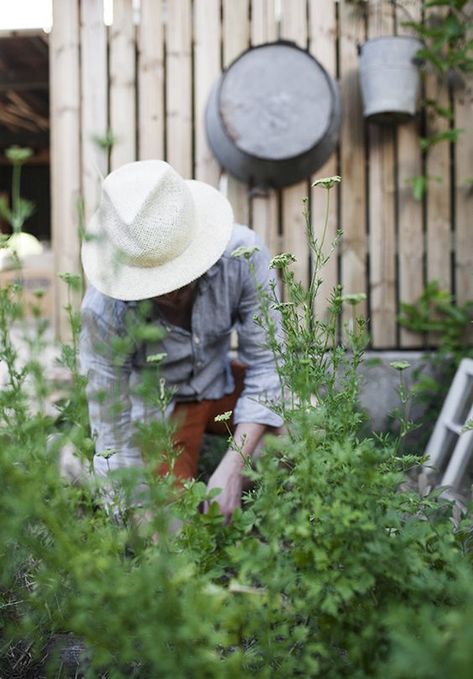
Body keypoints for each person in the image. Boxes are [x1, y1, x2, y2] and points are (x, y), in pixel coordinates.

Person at [79, 160, 283, 522]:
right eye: (156, 280)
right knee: (165, 527)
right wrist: (132, 509)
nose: (173, 290)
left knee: (301, 430)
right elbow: (112, 433)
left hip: (221, 387)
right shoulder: (103, 310)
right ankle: (72, 465)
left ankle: (250, 500)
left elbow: (269, 365)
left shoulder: (243, 256)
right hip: (163, 412)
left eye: (181, 271)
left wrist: (234, 467)